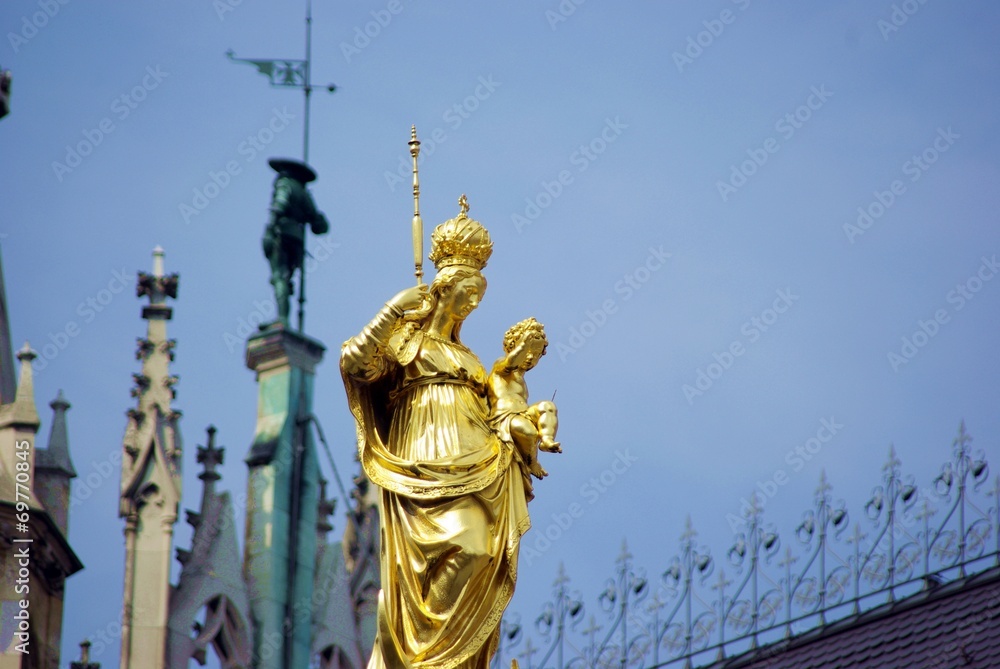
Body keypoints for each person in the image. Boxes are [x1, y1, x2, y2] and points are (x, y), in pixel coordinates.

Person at [341, 200, 533, 669]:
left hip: (475, 460)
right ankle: (420, 651)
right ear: (446, 290)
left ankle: (449, 657)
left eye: (478, 297)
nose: (473, 304)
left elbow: (500, 412)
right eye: (468, 293)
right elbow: (354, 363)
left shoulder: (471, 360)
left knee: (482, 551)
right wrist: (392, 311)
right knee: (464, 546)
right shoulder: (408, 342)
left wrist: (520, 424)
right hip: (422, 459)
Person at [487, 318, 560, 489]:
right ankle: (532, 462)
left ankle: (547, 440)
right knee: (527, 431)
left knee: (547, 406)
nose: (530, 357)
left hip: (522, 413)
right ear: (513, 347)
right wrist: (524, 343)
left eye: (536, 354)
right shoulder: (501, 367)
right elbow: (510, 363)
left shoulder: (522, 381)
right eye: (526, 351)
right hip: (504, 418)